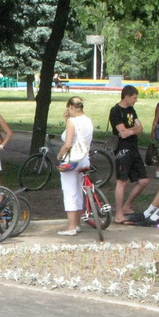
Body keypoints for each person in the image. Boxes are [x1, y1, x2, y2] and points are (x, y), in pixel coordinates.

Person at [109, 85, 150, 224]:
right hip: (122, 149)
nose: (136, 100)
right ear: (126, 96)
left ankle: (127, 206)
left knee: (143, 180)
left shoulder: (131, 110)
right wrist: (133, 130)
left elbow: (140, 128)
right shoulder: (116, 111)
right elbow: (122, 133)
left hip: (134, 148)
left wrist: (131, 130)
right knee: (122, 181)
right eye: (134, 98)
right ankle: (118, 214)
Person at [55, 96, 94, 235]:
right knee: (78, 191)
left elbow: (67, 144)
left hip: (71, 160)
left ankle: (71, 227)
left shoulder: (72, 122)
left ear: (71, 107)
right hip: (84, 158)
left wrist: (59, 156)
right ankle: (76, 223)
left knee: (69, 191)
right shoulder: (87, 120)